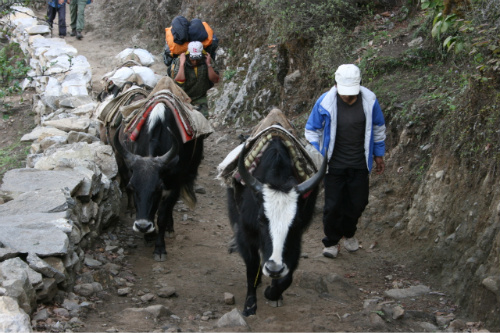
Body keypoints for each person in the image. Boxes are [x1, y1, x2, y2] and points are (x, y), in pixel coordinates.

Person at [304, 64, 386, 259]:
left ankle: (349, 233)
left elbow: (378, 128)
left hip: (359, 163)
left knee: (358, 202)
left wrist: (379, 154)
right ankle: (331, 242)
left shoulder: (370, 100)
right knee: (333, 206)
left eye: (352, 93)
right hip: (334, 165)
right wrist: (317, 154)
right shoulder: (325, 102)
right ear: (336, 85)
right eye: (344, 93)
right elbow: (311, 130)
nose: (348, 97)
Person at [170, 41, 219, 117]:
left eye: (197, 59)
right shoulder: (180, 61)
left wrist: (208, 64)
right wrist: (182, 64)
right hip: (184, 97)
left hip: (200, 97)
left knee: (203, 120)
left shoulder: (206, 59)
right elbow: (178, 81)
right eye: (192, 59)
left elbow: (215, 80)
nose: (195, 62)